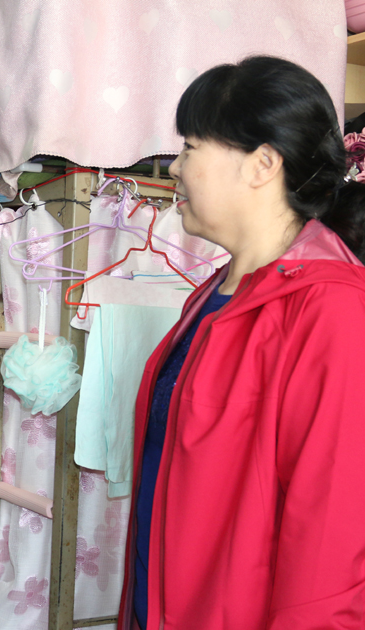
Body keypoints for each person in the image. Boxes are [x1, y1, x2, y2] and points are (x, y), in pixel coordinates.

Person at [120, 56, 365, 630]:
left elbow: (330, 547)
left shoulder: (332, 311)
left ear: (262, 164)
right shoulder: (210, 297)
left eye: (190, 147)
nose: (175, 167)